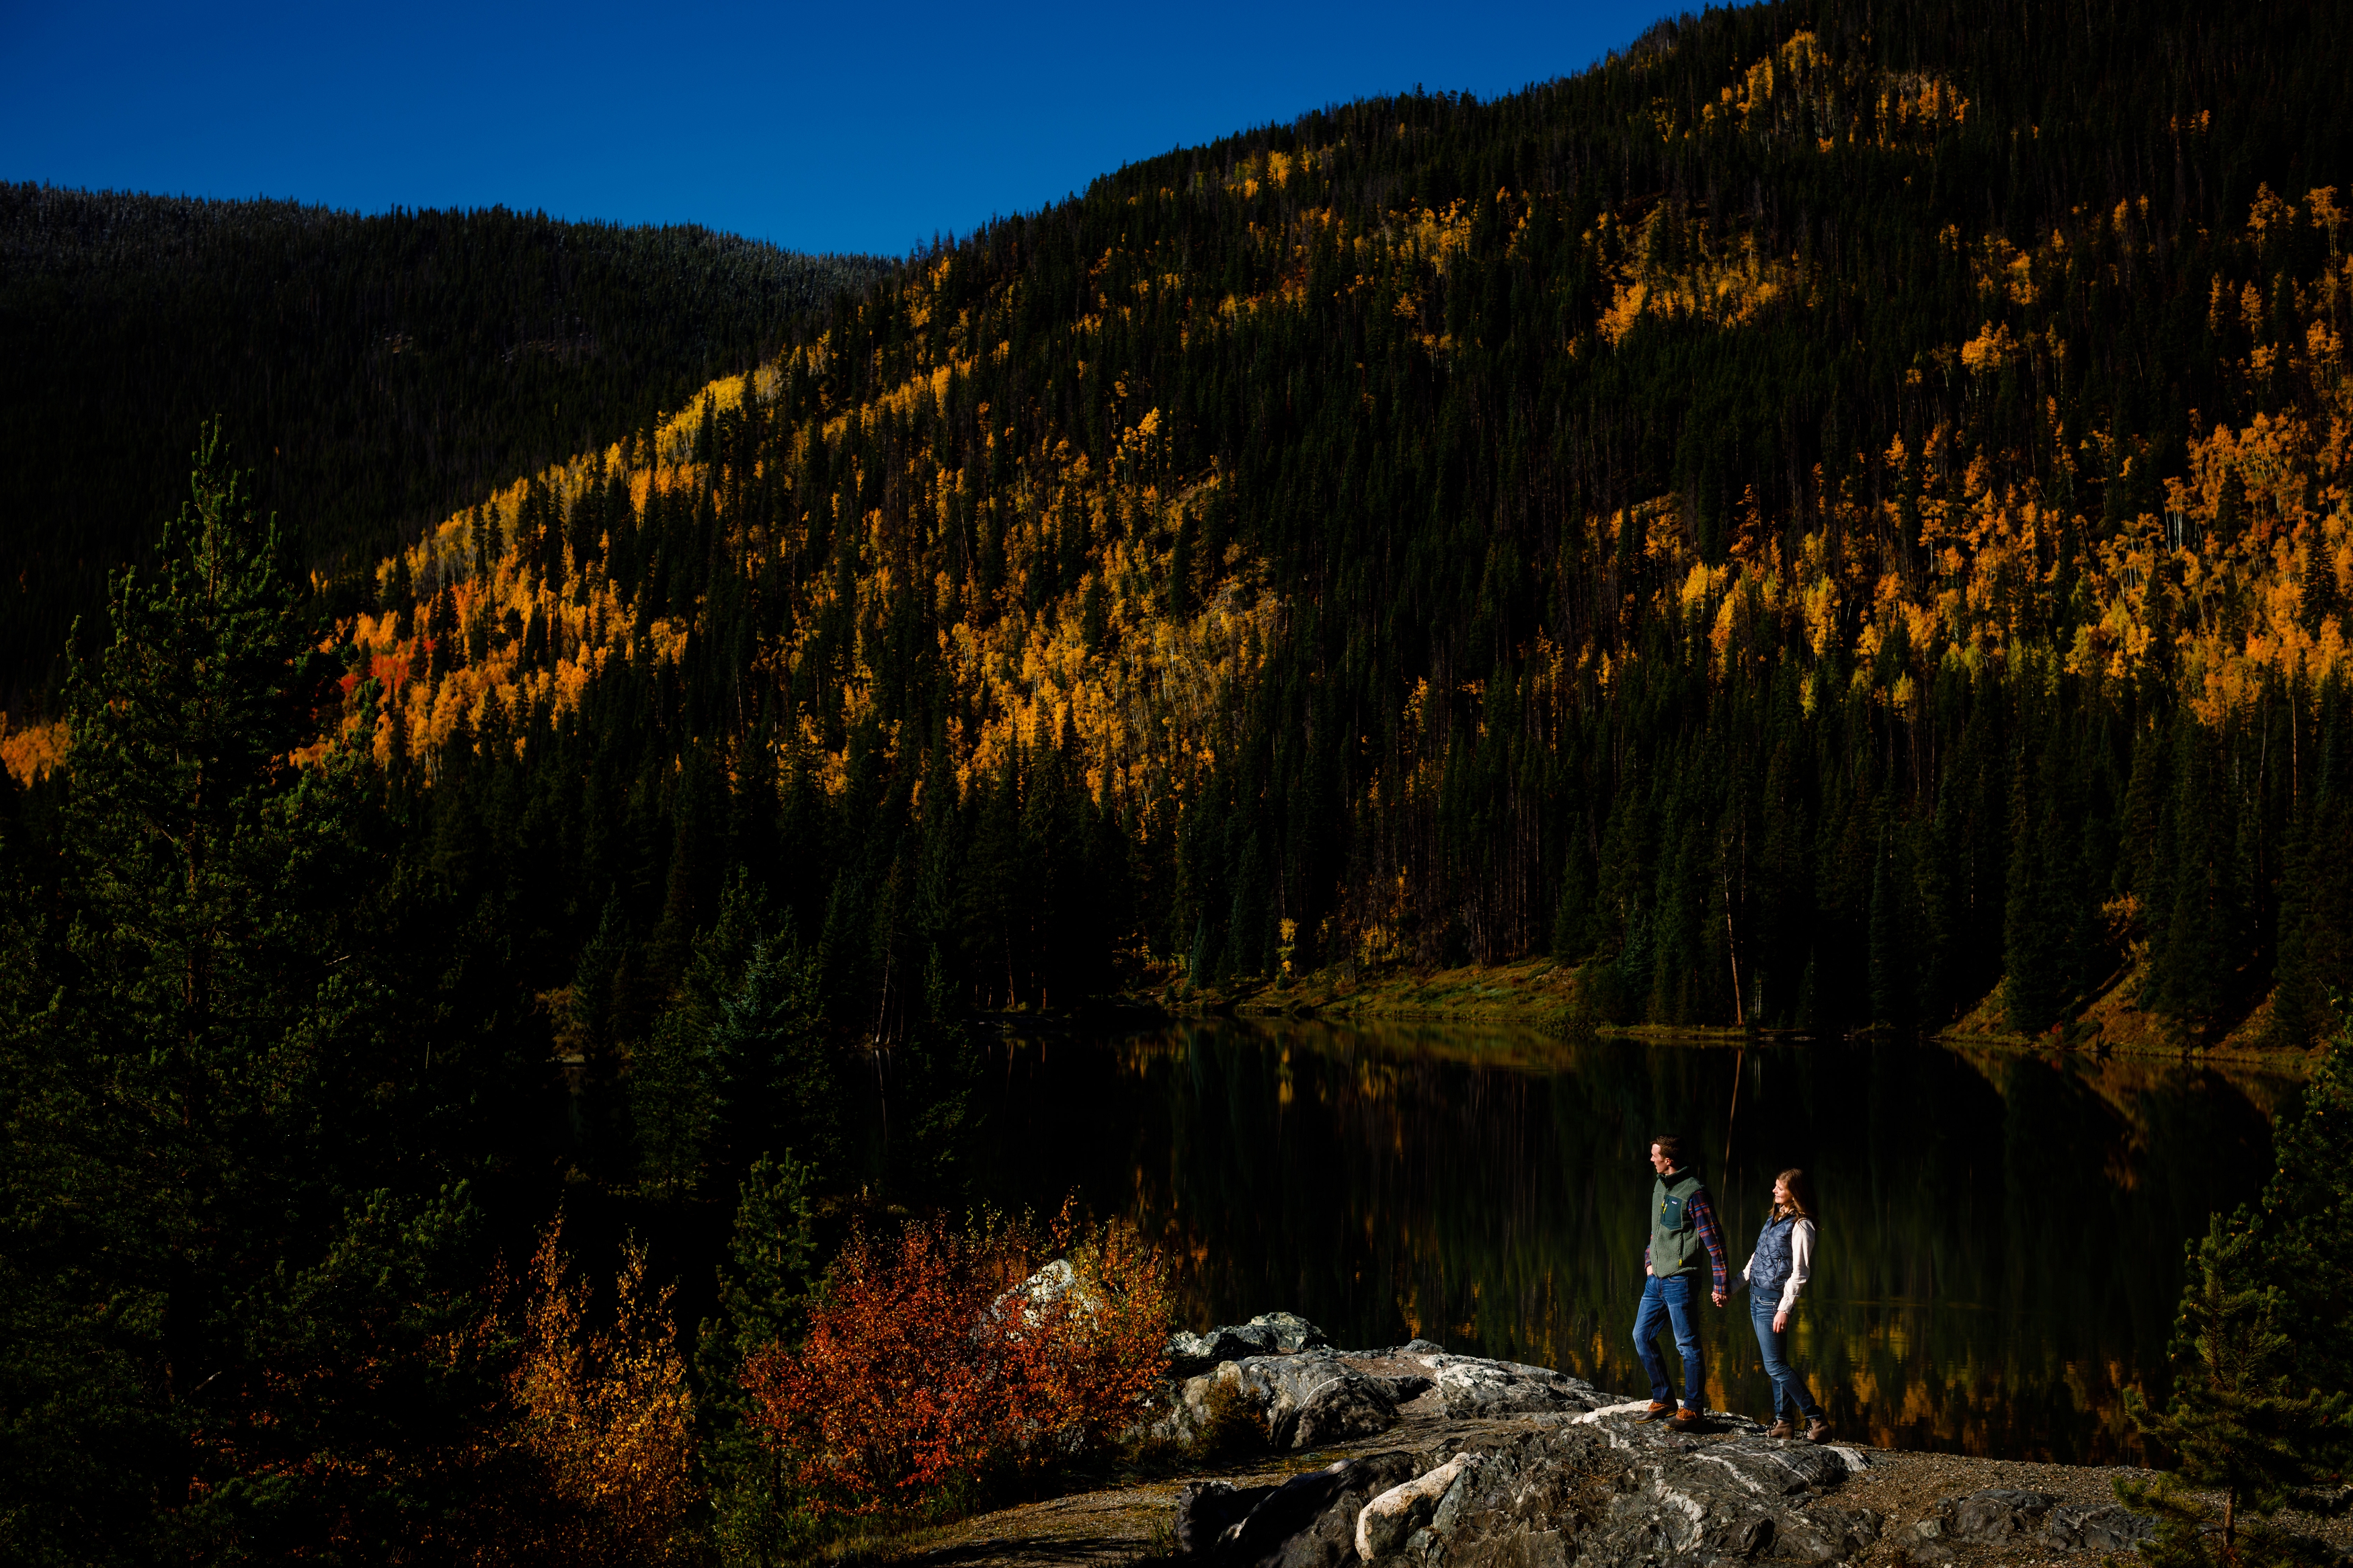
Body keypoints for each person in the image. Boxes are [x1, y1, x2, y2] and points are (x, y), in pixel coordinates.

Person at [1632, 1132, 1727, 1428]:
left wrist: (1721, 1284)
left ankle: (1694, 1409)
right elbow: (1656, 1232)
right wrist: (1649, 1261)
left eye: (1655, 1155)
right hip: (1656, 1280)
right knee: (1641, 1336)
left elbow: (1715, 1242)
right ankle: (1664, 1399)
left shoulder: (1694, 1192)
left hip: (1681, 1281)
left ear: (1668, 1160)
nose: (1651, 1159)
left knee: (1687, 1346)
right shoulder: (1660, 1186)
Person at [1742, 1167, 1829, 1442]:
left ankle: (1817, 1420)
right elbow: (1757, 1258)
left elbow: (1800, 1272)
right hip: (1756, 1296)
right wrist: (1732, 1287)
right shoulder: (1776, 1218)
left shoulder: (1802, 1225)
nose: (1774, 1191)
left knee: (1776, 1366)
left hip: (1772, 1302)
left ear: (1795, 1192)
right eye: (1775, 1186)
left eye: (1780, 1187)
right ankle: (1784, 1423)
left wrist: (1784, 1308)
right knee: (1774, 1364)